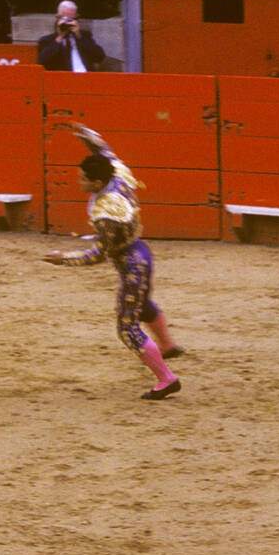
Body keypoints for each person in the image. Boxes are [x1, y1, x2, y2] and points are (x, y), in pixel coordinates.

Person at [42, 123, 185, 401]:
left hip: (132, 263)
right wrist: (89, 137)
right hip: (141, 252)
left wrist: (64, 259)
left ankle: (167, 379)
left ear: (96, 184)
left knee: (126, 327)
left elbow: (98, 254)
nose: (79, 182)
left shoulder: (107, 212)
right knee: (142, 304)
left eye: (83, 179)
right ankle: (167, 345)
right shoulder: (117, 174)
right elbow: (106, 152)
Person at [36, 0, 106, 72]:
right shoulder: (47, 40)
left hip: (86, 78)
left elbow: (100, 57)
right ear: (57, 18)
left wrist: (79, 37)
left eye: (71, 19)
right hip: (62, 79)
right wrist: (60, 37)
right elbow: (42, 61)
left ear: (76, 19)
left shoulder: (84, 36)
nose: (67, 23)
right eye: (64, 18)